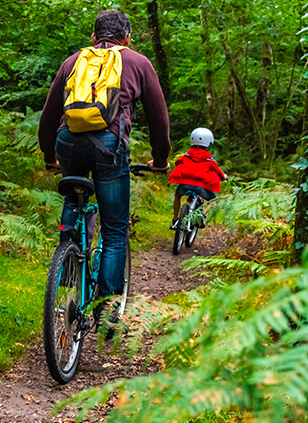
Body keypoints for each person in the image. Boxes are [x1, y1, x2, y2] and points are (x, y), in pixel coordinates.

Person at [38, 9, 170, 318]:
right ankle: (108, 312)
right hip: (110, 146)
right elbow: (158, 118)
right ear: (127, 38)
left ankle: (68, 266)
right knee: (114, 229)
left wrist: (48, 154)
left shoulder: (73, 61)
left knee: (73, 198)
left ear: (94, 37)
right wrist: (160, 160)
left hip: (67, 141)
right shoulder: (138, 62)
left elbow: (49, 113)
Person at [168, 128, 227, 229]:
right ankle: (202, 214)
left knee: (177, 196)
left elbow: (178, 162)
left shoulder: (187, 155)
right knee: (213, 200)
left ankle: (175, 219)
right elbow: (218, 172)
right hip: (201, 188)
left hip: (185, 186)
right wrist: (224, 177)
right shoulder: (209, 159)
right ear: (209, 143)